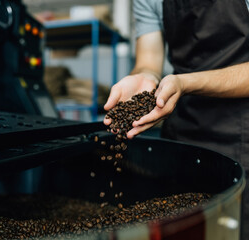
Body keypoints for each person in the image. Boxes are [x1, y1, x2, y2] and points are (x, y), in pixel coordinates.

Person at [103, 0, 249, 239]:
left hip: (241, 135)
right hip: (183, 132)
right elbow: (149, 60)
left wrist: (185, 82)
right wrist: (144, 78)